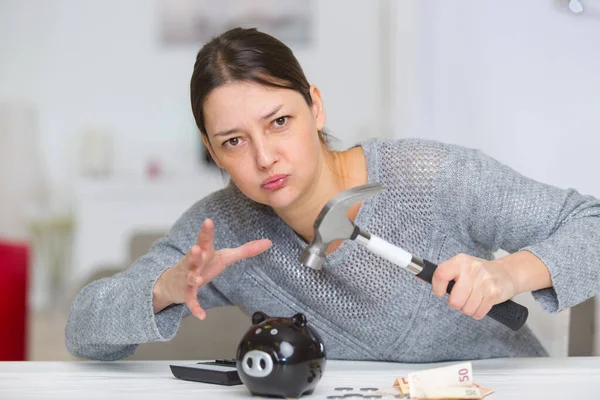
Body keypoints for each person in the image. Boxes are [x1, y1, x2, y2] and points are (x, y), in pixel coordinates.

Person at [65, 27, 600, 362]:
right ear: (212, 150)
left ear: (315, 107)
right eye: (234, 141)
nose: (263, 158)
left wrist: (509, 274)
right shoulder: (220, 232)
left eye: (278, 122)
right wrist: (164, 286)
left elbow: (591, 223)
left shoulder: (431, 176)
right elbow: (83, 331)